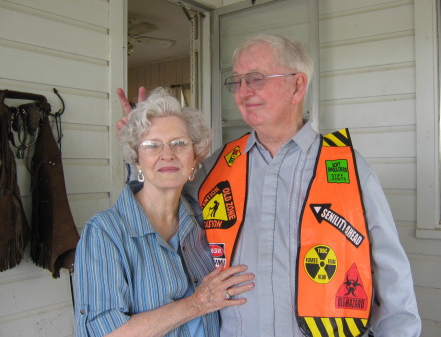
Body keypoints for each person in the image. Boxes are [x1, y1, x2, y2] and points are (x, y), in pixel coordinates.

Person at [118, 34, 421, 337]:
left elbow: (393, 284)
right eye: (236, 81)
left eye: (256, 79)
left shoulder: (350, 169)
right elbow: (158, 215)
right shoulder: (216, 167)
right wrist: (145, 144)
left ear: (297, 86)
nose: (243, 92)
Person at [74, 87, 255, 337]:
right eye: (152, 145)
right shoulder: (105, 233)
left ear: (195, 156)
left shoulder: (205, 220)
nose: (167, 154)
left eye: (179, 143)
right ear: (137, 157)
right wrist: (197, 304)